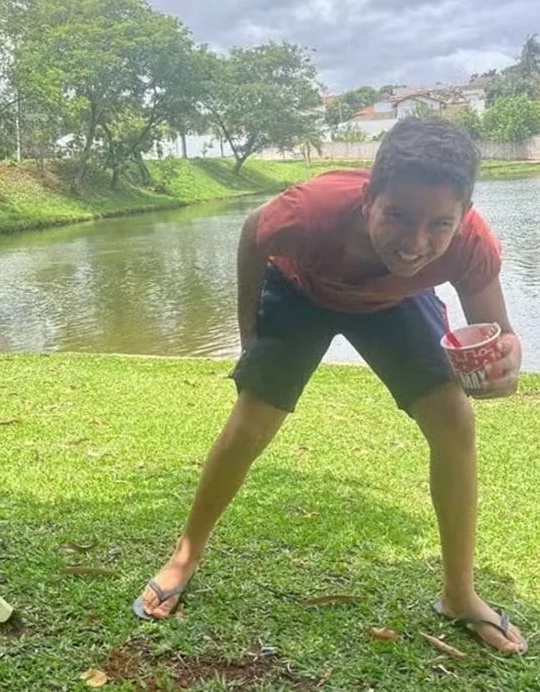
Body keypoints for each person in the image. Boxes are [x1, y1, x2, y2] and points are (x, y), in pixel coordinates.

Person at [134, 117, 528, 655]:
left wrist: (505, 364)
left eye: (440, 224)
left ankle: (459, 593)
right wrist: (251, 335)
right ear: (369, 199)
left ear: (463, 218)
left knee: (455, 419)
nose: (416, 243)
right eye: (398, 216)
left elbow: (499, 338)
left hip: (392, 304)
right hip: (302, 291)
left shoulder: (470, 244)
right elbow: (254, 232)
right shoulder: (309, 211)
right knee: (251, 424)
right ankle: (185, 553)